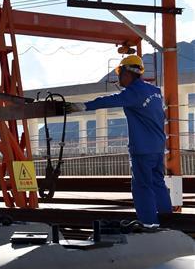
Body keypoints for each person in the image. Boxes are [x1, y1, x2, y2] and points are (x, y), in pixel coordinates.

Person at [67, 54, 171, 227]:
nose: (119, 77)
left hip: (142, 150)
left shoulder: (133, 93)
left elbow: (110, 100)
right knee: (158, 184)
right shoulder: (155, 92)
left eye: (119, 73)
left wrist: (83, 106)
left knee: (142, 186)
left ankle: (149, 224)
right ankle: (169, 223)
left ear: (127, 72)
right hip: (158, 148)